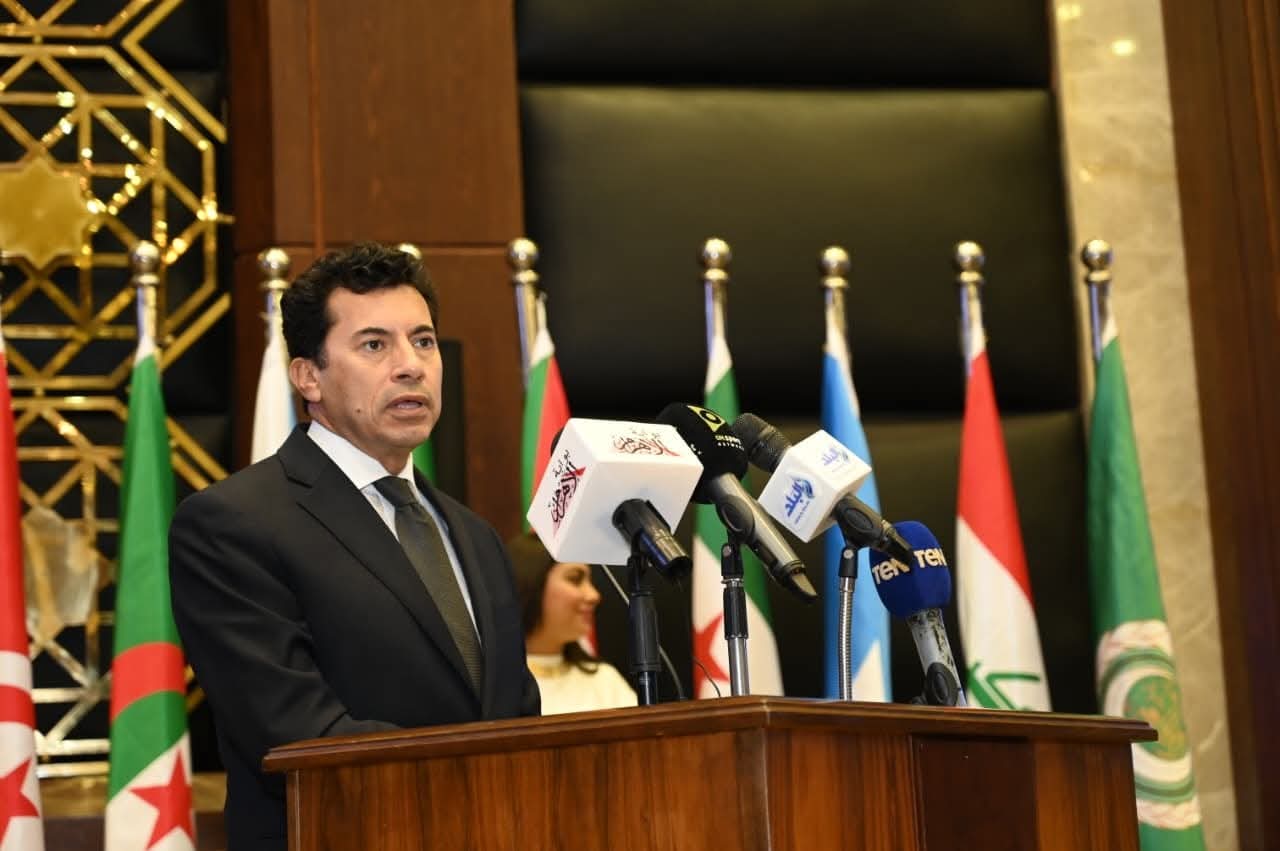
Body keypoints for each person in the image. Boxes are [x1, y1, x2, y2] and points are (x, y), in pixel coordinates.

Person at [168, 243, 539, 851]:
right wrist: (471, 797)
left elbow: (515, 716)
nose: (411, 366)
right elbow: (295, 730)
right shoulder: (232, 525)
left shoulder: (476, 537)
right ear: (308, 376)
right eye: (374, 345)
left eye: (423, 341)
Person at [507, 532, 636, 714]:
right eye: (575, 579)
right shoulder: (494, 688)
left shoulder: (605, 680)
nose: (594, 595)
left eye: (589, 581)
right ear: (530, 583)